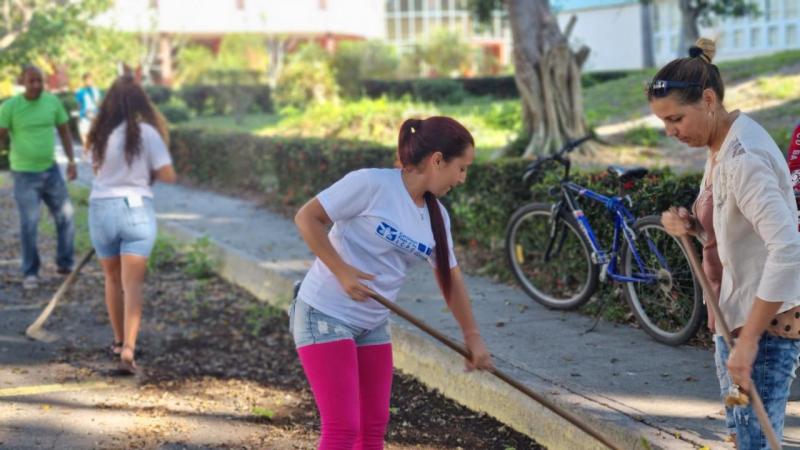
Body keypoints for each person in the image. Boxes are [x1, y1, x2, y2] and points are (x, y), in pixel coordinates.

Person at [292, 116, 494, 449]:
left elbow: (450, 277)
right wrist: (342, 271)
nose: (462, 179)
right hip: (324, 314)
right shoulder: (372, 184)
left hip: (372, 323)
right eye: (461, 168)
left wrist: (472, 336)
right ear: (437, 160)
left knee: (372, 430)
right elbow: (307, 218)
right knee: (343, 429)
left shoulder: (436, 216)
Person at [654, 39, 800, 448]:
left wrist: (749, 340)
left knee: (754, 441)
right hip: (732, 318)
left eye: (676, 119)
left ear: (708, 99)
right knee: (742, 436)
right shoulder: (720, 144)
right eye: (664, 122)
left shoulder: (743, 158)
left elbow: (788, 249)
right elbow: (737, 230)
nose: (671, 131)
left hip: (762, 327)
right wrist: (694, 228)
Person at [86, 75, 176, 374]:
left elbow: (97, 170)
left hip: (101, 210)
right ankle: (129, 349)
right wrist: (147, 174)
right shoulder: (147, 133)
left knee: (112, 280)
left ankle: (117, 340)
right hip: (137, 210)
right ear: (140, 101)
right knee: (132, 284)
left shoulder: (98, 134)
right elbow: (167, 175)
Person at [0, 65, 76, 290]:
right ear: (22, 82)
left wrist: (72, 161)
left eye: (39, 81)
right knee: (29, 224)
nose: (36, 85)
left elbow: (64, 132)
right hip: (24, 175)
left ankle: (65, 264)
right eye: (31, 81)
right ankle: (30, 272)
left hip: (51, 171)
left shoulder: (52, 103)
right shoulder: (10, 107)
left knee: (66, 216)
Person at [75, 72, 101, 147]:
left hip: (93, 117)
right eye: (87, 79)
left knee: (92, 138)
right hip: (85, 117)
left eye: (90, 79)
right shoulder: (80, 92)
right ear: (84, 81)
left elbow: (99, 104)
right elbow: (79, 106)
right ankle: (87, 152)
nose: (89, 81)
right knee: (84, 137)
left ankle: (89, 153)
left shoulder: (95, 91)